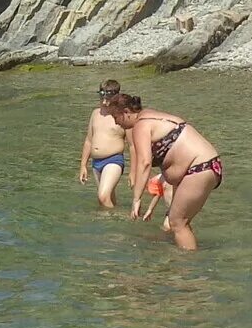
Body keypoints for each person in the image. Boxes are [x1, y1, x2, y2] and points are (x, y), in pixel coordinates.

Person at [106, 91, 224, 251]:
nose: (116, 123)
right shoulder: (151, 115)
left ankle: (188, 268)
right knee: (181, 222)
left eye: (115, 117)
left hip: (198, 167)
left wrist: (136, 199)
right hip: (210, 164)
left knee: (177, 223)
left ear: (126, 112)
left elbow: (145, 163)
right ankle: (186, 259)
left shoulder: (140, 126)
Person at [78, 81, 132, 211]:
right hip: (96, 163)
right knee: (108, 198)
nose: (104, 102)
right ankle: (114, 223)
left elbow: (132, 146)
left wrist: (133, 172)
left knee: (102, 197)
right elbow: (89, 140)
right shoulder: (95, 114)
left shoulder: (122, 116)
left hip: (113, 160)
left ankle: (112, 219)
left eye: (107, 99)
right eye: (102, 97)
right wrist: (83, 165)